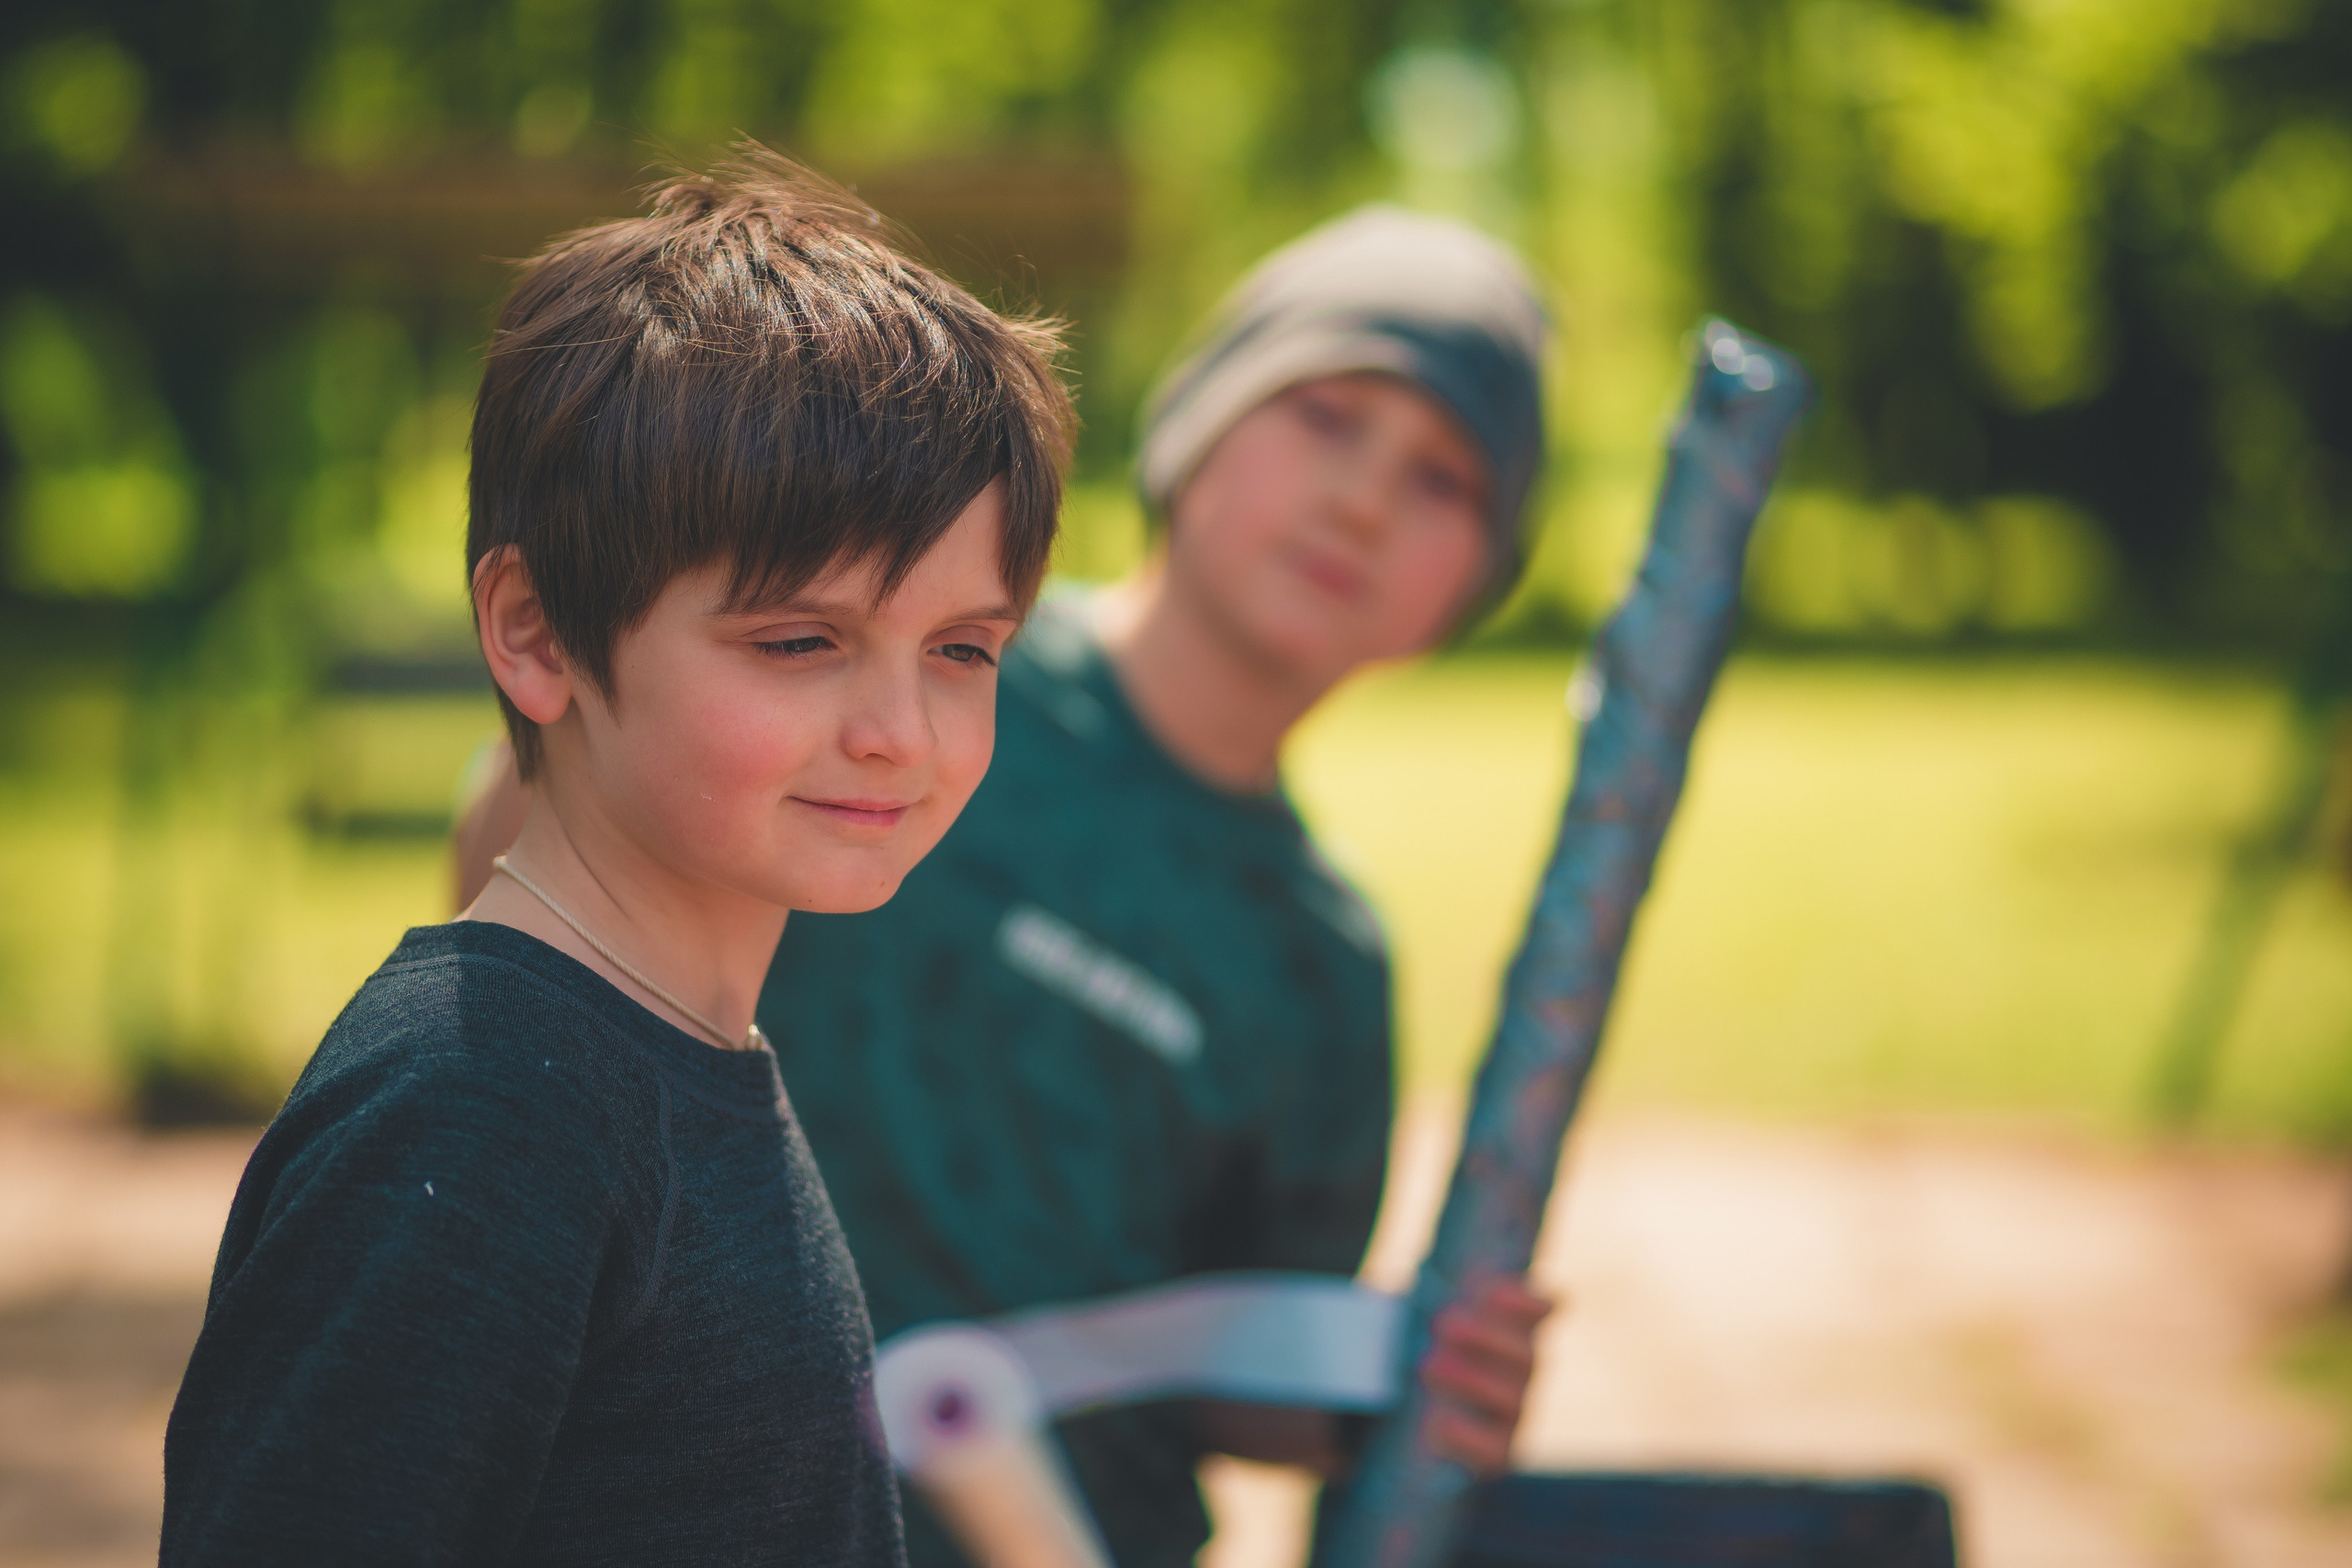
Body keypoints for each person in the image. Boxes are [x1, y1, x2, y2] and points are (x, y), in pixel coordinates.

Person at [454, 206, 1555, 1568]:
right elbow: (527, 841)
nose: (1365, 497)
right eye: (1326, 416)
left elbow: (1224, 1366)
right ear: (1198, 418)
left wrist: (1392, 1383)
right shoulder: (905, 677)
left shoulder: (1320, 960)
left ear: (1476, 586)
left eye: (1445, 482)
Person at [163, 149, 1074, 1566]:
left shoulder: (683, 1059)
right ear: (533, 633)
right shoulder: (479, 1115)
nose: (902, 731)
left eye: (963, 650)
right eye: (799, 641)